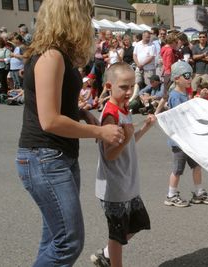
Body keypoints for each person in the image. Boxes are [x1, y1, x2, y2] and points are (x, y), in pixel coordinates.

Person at [15, 1, 125, 266]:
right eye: (86, 15)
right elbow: (50, 121)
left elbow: (53, 103)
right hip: (45, 158)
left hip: (54, 157)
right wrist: (99, 130)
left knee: (54, 238)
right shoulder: (51, 56)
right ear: (71, 17)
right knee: (67, 242)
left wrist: (79, 113)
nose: (89, 21)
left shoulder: (55, 54)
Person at [91, 62, 155, 267]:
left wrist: (144, 127)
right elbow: (110, 154)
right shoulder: (111, 114)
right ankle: (111, 258)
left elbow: (128, 143)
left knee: (138, 223)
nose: (129, 92)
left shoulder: (123, 108)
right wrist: (127, 137)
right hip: (114, 187)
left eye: (132, 86)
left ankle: (106, 253)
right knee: (118, 235)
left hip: (128, 182)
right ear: (109, 87)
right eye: (124, 87)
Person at [165, 61, 208, 207]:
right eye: (186, 75)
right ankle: (171, 194)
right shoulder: (175, 96)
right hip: (179, 141)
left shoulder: (184, 93)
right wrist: (196, 101)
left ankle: (199, 192)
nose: (189, 78)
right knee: (177, 170)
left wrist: (198, 98)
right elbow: (180, 115)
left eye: (190, 75)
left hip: (189, 139)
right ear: (176, 78)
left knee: (197, 166)